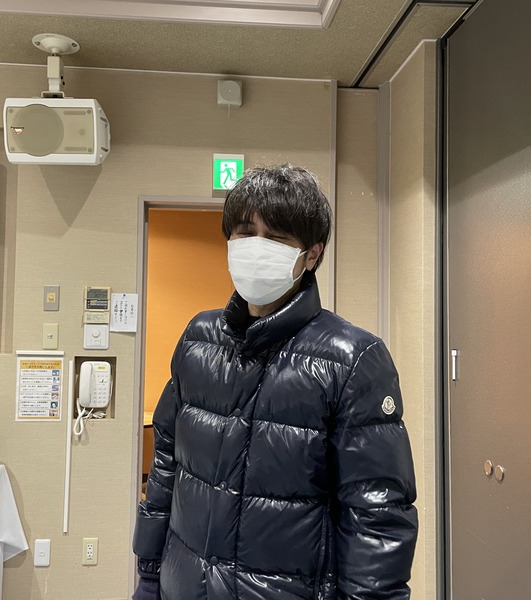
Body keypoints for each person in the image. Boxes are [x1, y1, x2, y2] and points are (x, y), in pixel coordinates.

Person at [132, 164, 418, 600]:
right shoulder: (197, 340)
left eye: (277, 237)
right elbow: (166, 467)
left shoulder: (352, 360)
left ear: (312, 255)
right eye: (246, 232)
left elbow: (376, 516)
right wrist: (150, 576)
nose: (256, 247)